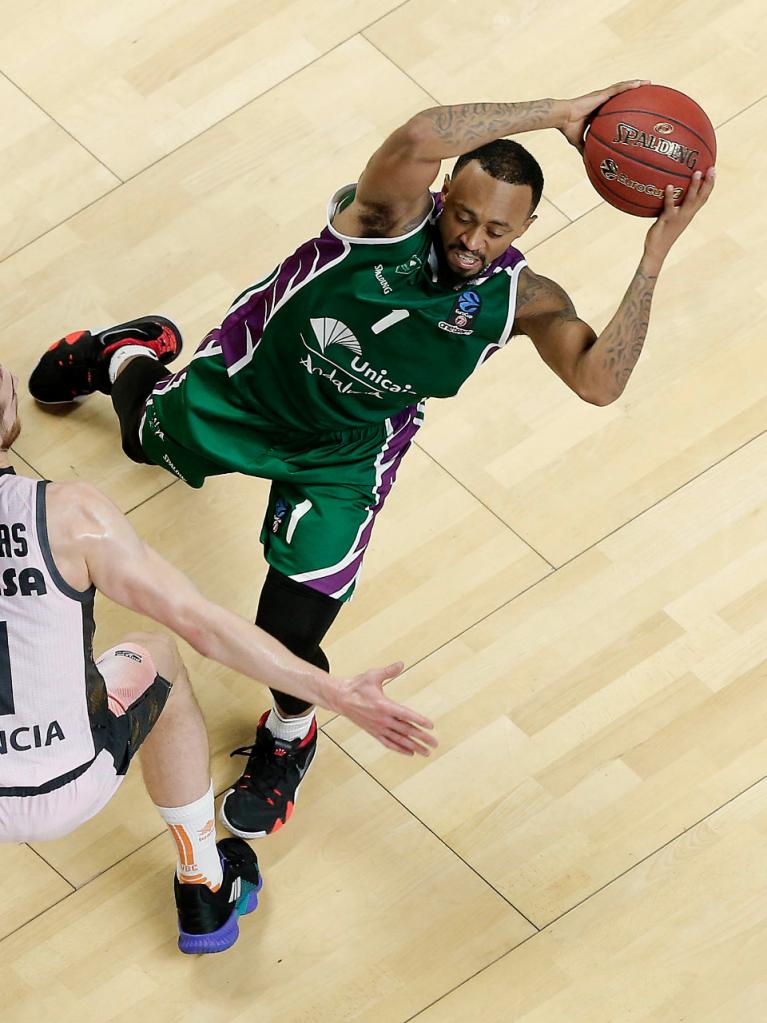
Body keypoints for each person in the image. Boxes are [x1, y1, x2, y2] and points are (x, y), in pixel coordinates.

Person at [28, 79, 715, 841]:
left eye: (495, 229)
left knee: (286, 631)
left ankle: (290, 734)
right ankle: (122, 354)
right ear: (444, 191)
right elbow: (419, 133)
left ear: (525, 227)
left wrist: (652, 257)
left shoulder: (522, 299)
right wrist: (560, 114)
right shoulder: (384, 219)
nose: (471, 240)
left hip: (344, 455)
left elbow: (599, 381)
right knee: (139, 438)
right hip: (251, 388)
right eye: (462, 215)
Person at [0, 367, 435, 954]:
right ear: (7, 415)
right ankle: (203, 878)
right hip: (69, 780)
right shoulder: (70, 514)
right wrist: (335, 695)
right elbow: (201, 623)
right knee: (158, 655)